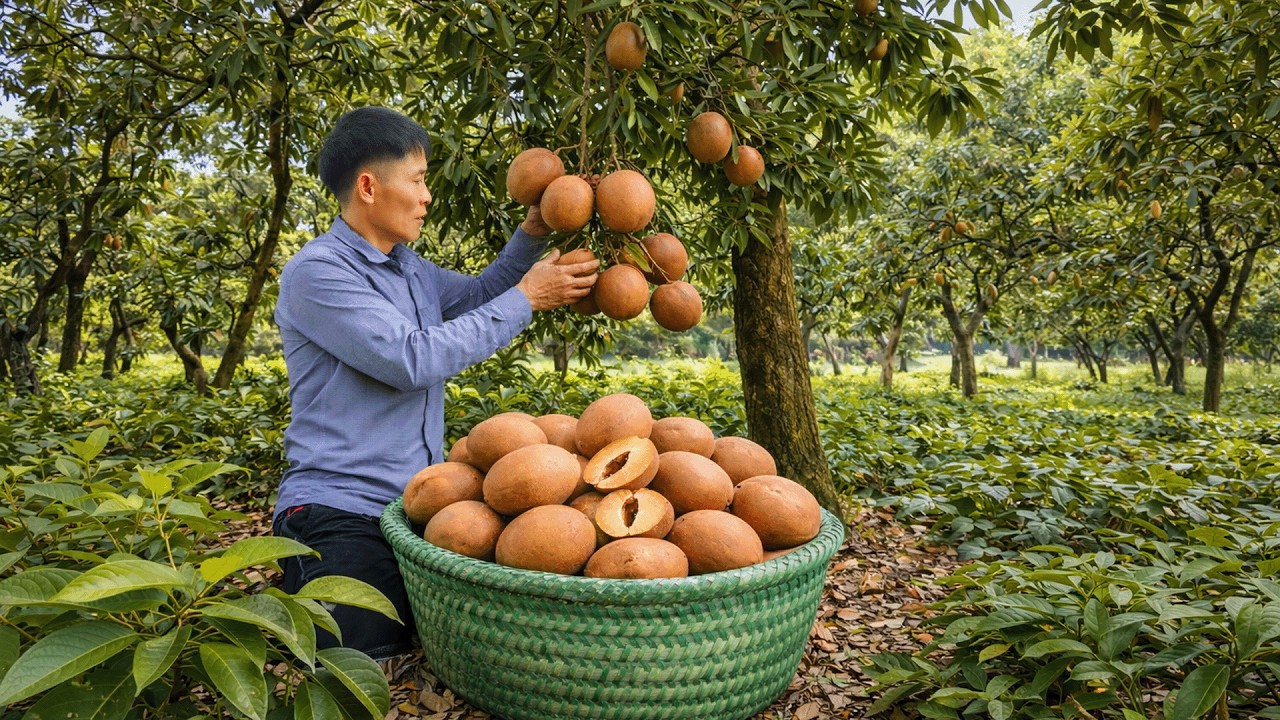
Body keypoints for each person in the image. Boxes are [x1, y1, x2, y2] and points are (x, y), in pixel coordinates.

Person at [271, 106, 598, 660]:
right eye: (418, 181)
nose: (427, 197)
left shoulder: (408, 267)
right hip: (340, 511)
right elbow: (410, 359)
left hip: (417, 508)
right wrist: (529, 298)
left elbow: (479, 293)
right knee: (370, 657)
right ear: (369, 186)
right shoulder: (318, 272)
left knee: (455, 647)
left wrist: (533, 230)